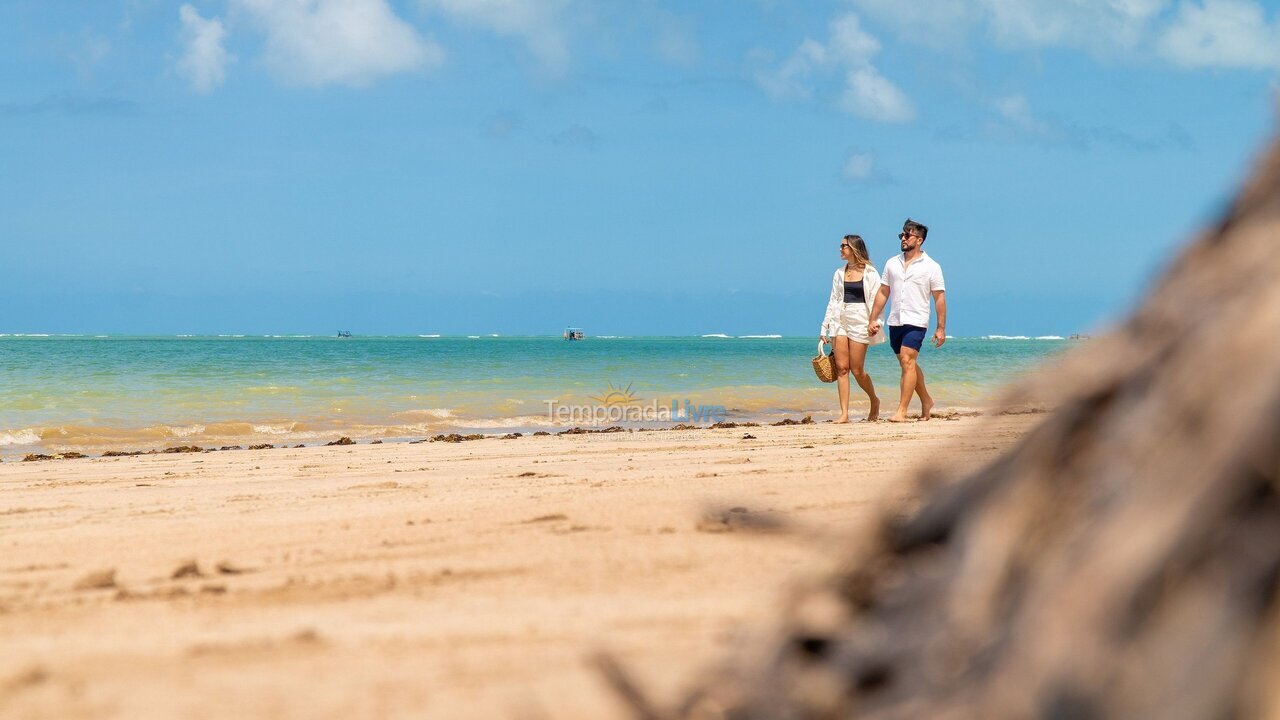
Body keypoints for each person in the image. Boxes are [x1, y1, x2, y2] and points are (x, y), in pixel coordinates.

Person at [868, 218, 946, 422]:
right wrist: (873, 318)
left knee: (907, 360)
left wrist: (940, 327)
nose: (903, 238)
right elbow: (884, 292)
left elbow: (939, 297)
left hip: (917, 320)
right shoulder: (892, 263)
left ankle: (901, 411)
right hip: (896, 320)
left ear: (919, 240)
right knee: (907, 364)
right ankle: (927, 400)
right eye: (901, 235)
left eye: (907, 235)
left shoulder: (932, 266)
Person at [820, 235, 886, 423]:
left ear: (855, 249)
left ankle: (874, 400)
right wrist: (824, 328)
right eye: (840, 246)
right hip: (839, 320)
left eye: (844, 246)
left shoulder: (871, 273)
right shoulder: (839, 273)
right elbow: (833, 301)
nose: (840, 249)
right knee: (842, 369)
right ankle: (844, 414)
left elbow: (877, 301)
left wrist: (876, 322)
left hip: (861, 321)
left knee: (857, 370)